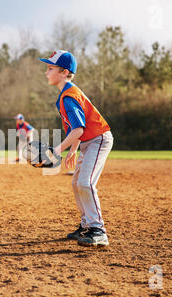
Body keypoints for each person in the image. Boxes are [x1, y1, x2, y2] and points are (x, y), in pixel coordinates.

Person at [38, 50, 114, 247]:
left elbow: (79, 129)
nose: (46, 72)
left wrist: (57, 150)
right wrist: (72, 150)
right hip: (89, 141)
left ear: (64, 72)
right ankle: (86, 225)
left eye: (50, 68)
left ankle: (98, 230)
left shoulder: (69, 96)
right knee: (76, 184)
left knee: (85, 183)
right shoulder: (66, 94)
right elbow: (77, 129)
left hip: (99, 140)